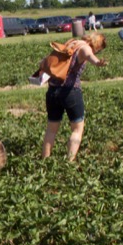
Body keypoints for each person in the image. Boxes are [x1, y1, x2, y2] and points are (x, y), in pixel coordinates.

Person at [41, 33, 109, 161]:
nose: (97, 51)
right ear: (97, 44)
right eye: (99, 49)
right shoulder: (85, 48)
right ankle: (69, 162)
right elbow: (90, 57)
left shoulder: (71, 43)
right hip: (70, 91)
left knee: (51, 129)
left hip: (52, 90)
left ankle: (45, 161)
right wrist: (98, 62)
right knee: (77, 129)